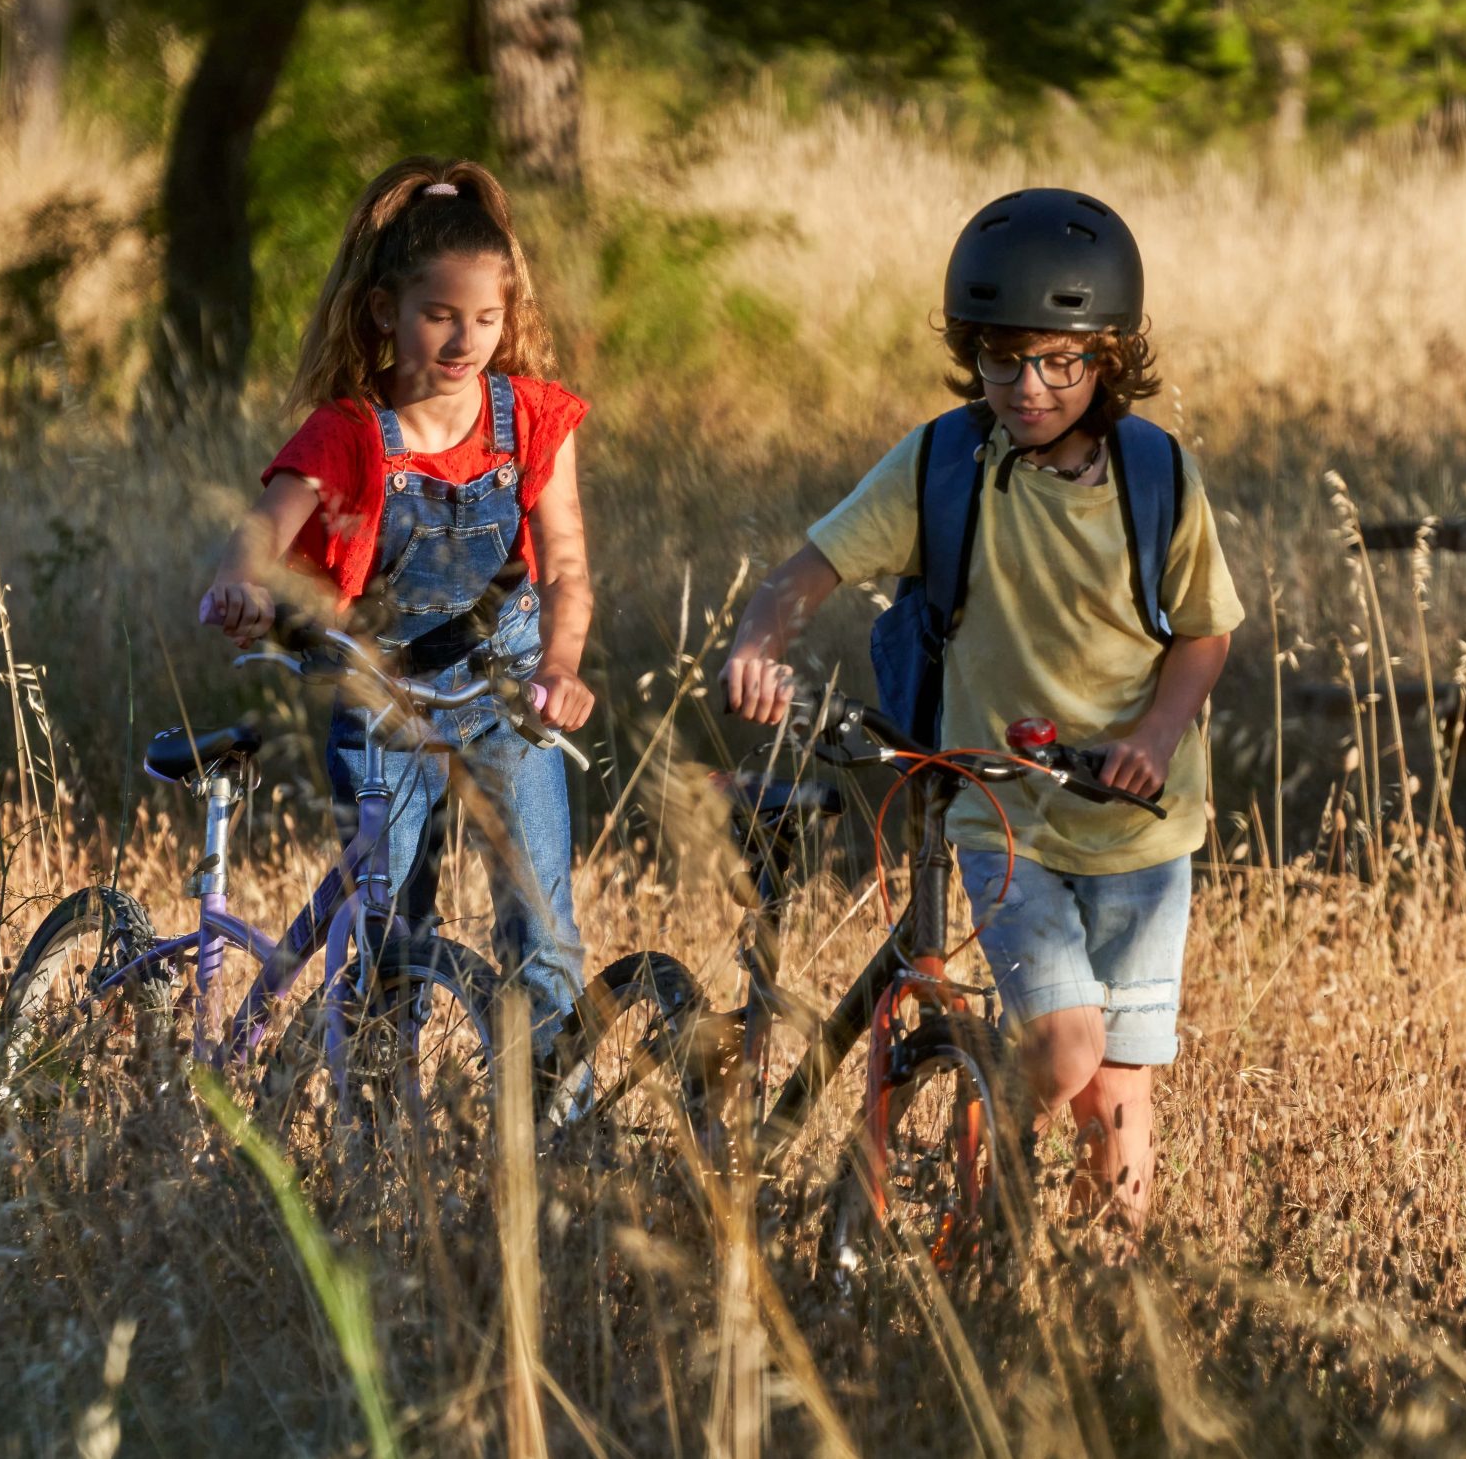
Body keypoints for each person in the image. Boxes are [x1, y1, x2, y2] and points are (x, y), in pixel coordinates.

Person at [722, 188, 1240, 1240]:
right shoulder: (943, 465)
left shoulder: (1157, 476)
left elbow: (1202, 632)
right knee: (1062, 1052)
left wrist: (1153, 737)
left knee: (1116, 1101)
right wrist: (758, 639)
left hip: (1143, 825)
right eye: (1002, 360)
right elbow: (810, 568)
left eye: (1057, 361)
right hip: (1003, 817)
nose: (1028, 386)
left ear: (1108, 355)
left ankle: (1101, 1309)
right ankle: (987, 1205)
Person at [199, 157, 595, 1052]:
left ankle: (560, 1133)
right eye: (440, 317)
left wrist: (562, 665)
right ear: (386, 311)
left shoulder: (529, 418)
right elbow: (262, 529)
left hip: (505, 691)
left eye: (486, 320)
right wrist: (240, 585)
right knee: (392, 935)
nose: (464, 343)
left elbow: (566, 564)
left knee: (544, 928)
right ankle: (377, 1130)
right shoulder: (347, 432)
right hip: (384, 700)